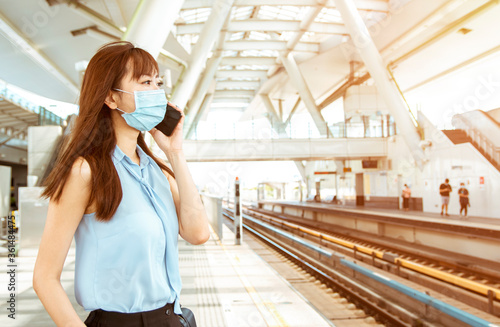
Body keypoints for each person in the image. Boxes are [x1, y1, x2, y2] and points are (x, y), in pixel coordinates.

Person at [32, 41, 210, 327]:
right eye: (145, 82)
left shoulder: (157, 171)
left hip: (170, 319)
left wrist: (174, 152)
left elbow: (199, 233)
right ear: (112, 98)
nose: (157, 92)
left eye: (158, 82)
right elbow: (44, 278)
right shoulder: (85, 172)